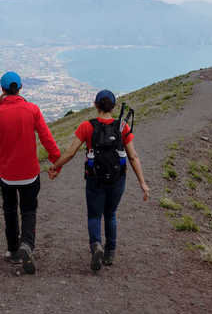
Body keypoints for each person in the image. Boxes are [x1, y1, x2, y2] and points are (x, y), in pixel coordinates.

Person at [48, 89, 149, 271]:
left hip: (95, 178)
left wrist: (55, 166)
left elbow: (70, 153)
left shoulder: (87, 126)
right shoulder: (123, 127)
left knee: (94, 215)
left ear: (95, 105)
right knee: (110, 214)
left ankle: (96, 245)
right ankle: (110, 252)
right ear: (114, 107)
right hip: (117, 179)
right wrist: (142, 183)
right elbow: (133, 157)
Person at [0, 71, 60, 275]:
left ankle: (13, 249)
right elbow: (46, 137)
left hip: (6, 173)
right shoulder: (32, 110)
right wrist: (56, 160)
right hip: (30, 173)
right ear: (21, 88)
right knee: (29, 210)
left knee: (10, 210)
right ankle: (27, 245)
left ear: (2, 90)